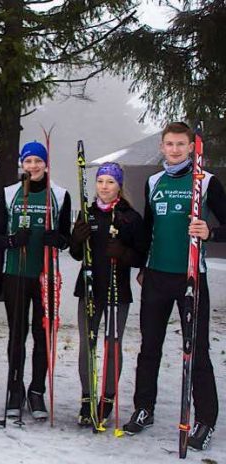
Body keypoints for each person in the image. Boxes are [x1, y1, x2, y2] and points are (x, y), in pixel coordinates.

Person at [123, 122, 226, 451]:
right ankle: (144, 408)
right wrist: (141, 266)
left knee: (196, 351)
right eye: (169, 144)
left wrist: (209, 232)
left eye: (181, 144)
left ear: (192, 147)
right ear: (163, 147)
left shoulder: (206, 182)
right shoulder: (154, 182)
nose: (175, 149)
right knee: (149, 347)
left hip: (191, 276)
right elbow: (149, 231)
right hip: (156, 276)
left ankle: (205, 419)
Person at [0, 140, 71, 421]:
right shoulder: (10, 193)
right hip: (16, 273)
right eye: (28, 161)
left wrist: (58, 239)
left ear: (45, 163)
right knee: (17, 334)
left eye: (38, 161)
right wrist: (14, 240)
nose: (33, 166)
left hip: (45, 276)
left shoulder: (60, 195)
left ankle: (36, 390)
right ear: (22, 164)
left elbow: (67, 238)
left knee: (43, 334)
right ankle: (15, 388)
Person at [69, 162, 147, 427]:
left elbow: (140, 254)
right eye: (101, 181)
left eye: (110, 182)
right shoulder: (87, 213)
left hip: (117, 288)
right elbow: (77, 254)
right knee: (86, 343)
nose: (104, 187)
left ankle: (108, 398)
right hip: (90, 287)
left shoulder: (130, 217)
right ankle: (87, 397)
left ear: (119, 186)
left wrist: (123, 253)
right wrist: (77, 239)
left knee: (113, 342)